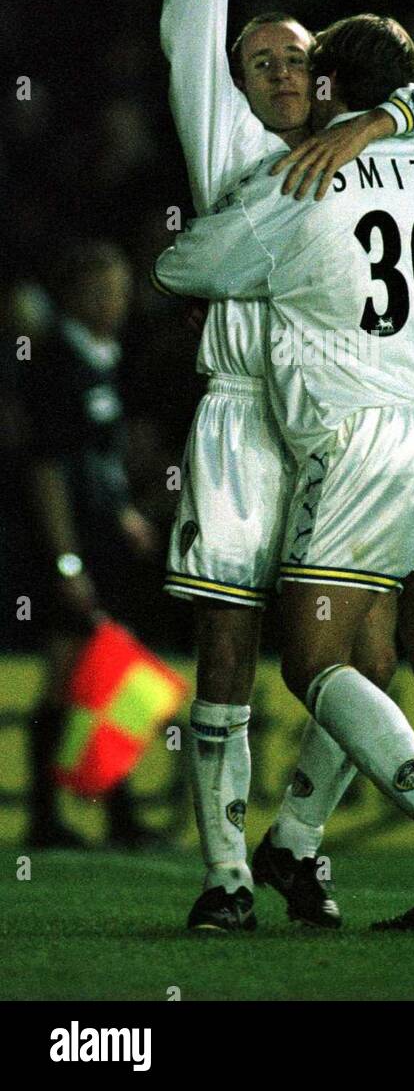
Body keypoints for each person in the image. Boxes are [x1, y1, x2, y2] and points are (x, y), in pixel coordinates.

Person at [158, 0, 414, 933]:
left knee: (367, 647)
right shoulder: (233, 147)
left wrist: (380, 117)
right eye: (261, 62)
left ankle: (298, 844)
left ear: (326, 76)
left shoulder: (348, 145)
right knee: (231, 643)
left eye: (299, 58)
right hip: (255, 412)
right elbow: (194, 31)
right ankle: (229, 875)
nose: (282, 70)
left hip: (344, 418)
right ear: (235, 81)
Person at [23, 239, 160, 850]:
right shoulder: (55, 364)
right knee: (67, 675)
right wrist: (65, 560)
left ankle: (116, 813)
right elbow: (48, 468)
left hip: (106, 540)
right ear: (75, 297)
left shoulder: (105, 359)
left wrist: (126, 511)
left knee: (115, 675)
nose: (116, 303)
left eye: (122, 292)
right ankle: (47, 816)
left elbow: (98, 460)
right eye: (104, 291)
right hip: (72, 545)